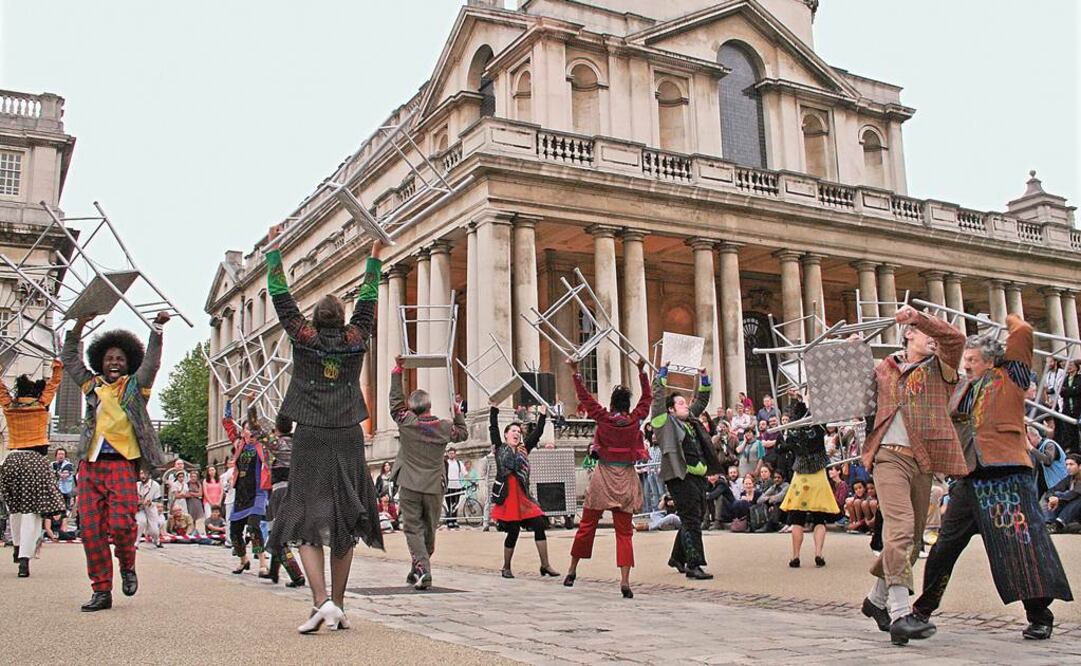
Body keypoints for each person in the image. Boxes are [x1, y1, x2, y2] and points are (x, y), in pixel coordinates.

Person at [914, 315, 1073, 642]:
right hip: (970, 477)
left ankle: (1040, 615)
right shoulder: (962, 387)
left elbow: (1024, 332)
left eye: (972, 360)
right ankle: (921, 612)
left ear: (990, 360)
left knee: (1020, 549)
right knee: (945, 546)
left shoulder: (1009, 376)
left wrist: (1008, 320)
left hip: (1006, 476)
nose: (967, 365)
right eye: (966, 360)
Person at [264, 234, 384, 634]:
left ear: (315, 319)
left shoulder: (304, 337)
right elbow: (368, 302)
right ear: (343, 316)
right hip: (348, 432)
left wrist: (275, 251)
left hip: (311, 433)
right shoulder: (356, 338)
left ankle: (321, 602)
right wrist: (374, 258)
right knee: (345, 517)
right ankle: (341, 603)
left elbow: (281, 298)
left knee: (305, 517)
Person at [858, 306, 968, 645]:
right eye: (926, 335)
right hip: (888, 457)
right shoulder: (883, 369)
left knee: (913, 538)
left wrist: (920, 318)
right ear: (908, 335)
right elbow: (854, 400)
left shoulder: (942, 369)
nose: (934, 341)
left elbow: (956, 338)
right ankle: (900, 615)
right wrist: (850, 353)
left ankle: (876, 601)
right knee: (901, 528)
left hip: (922, 460)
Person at [62, 312, 171, 611]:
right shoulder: (91, 385)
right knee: (91, 531)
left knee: (123, 525)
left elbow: (152, 361)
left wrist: (157, 329)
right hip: (91, 465)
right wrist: (80, 325)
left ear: (128, 363)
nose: (113, 362)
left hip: (123, 464)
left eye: (120, 359)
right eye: (109, 357)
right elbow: (69, 358)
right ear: (100, 360)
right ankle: (101, 590)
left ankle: (127, 564)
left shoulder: (136, 387)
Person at [564, 357, 651, 599]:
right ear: (627, 405)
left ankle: (572, 570)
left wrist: (575, 372)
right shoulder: (635, 420)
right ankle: (624, 581)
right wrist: (642, 373)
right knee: (624, 533)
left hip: (603, 476)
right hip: (625, 477)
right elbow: (647, 400)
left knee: (586, 526)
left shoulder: (603, 418)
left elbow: (585, 399)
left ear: (612, 404)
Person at [388, 356, 467, 590]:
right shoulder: (443, 427)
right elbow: (462, 434)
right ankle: (419, 568)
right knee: (429, 529)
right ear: (430, 406)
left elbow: (394, 404)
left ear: (412, 407)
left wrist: (397, 372)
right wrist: (457, 412)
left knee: (413, 528)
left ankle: (422, 569)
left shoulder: (407, 422)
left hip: (410, 483)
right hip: (434, 485)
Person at [651, 364, 724, 580]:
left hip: (697, 477)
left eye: (685, 402)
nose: (685, 405)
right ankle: (694, 564)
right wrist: (661, 376)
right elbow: (656, 402)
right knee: (691, 520)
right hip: (680, 477)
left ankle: (677, 557)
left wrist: (704, 377)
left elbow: (701, 400)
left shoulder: (690, 419)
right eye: (680, 403)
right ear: (671, 409)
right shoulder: (664, 423)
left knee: (695, 516)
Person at [0, 359, 68, 578]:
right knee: (32, 512)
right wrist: (57, 367)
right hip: (35, 462)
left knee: (15, 508)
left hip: (13, 459)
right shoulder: (41, 405)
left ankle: (18, 545)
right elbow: (54, 384)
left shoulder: (10, 406)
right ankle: (24, 558)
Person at [489, 400, 559, 579]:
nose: (516, 434)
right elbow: (493, 429)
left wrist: (543, 415)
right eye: (513, 431)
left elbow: (537, 433)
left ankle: (545, 565)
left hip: (523, 495)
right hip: (507, 496)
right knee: (513, 531)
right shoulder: (499, 448)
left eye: (518, 432)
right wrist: (493, 410)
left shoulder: (523, 449)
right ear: (506, 435)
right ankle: (506, 566)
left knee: (539, 525)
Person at [777, 411, 838, 566]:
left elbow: (784, 447)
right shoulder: (818, 430)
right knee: (819, 518)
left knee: (797, 519)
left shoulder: (793, 432)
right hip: (818, 476)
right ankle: (819, 553)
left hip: (801, 478)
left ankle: (795, 556)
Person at [222, 401, 271, 574]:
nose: (249, 432)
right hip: (241, 493)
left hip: (257, 493)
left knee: (254, 527)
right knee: (235, 531)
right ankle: (244, 560)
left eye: (252, 428)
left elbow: (259, 424)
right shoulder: (239, 445)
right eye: (246, 429)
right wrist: (228, 403)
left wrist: (251, 403)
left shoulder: (263, 446)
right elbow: (227, 424)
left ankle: (263, 563)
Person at [263, 415, 306, 588]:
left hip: (280, 492)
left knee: (277, 536)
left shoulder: (278, 444)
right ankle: (274, 571)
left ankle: (296, 574)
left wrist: (251, 406)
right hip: (298, 491)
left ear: (278, 428)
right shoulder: (300, 444)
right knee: (279, 533)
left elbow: (258, 430)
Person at [1027, 426, 1067, 499]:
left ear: (1036, 436)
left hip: (1058, 485)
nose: (1028, 443)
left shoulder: (1049, 445)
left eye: (1029, 439)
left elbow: (1047, 461)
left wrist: (1031, 448)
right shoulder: (1038, 449)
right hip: (1047, 486)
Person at [1046, 454, 1081, 531]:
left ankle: (1059, 523)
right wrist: (1051, 497)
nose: (1068, 467)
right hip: (1074, 513)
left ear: (1080, 466)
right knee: (1056, 494)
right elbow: (1052, 490)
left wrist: (1058, 498)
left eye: (1071, 464)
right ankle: (1049, 523)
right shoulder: (1070, 478)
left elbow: (1075, 493)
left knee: (1078, 499)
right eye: (1066, 464)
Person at [135, 469, 162, 549]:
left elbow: (158, 500)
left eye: (144, 474)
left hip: (151, 508)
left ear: (149, 475)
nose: (143, 476)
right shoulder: (136, 485)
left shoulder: (155, 485)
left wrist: (151, 503)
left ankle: (157, 540)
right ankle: (136, 543)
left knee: (154, 530)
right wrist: (138, 502)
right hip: (140, 508)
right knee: (141, 522)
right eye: (141, 474)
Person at [1059, 360, 1080, 454]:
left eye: (1071, 365)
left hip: (1077, 409)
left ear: (1076, 367)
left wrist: (1068, 391)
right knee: (1070, 432)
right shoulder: (1065, 379)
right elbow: (1061, 392)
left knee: (1077, 431)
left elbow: (1078, 390)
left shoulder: (1079, 378)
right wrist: (1071, 390)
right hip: (1067, 408)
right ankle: (1074, 451)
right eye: (1068, 365)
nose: (1069, 367)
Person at [444, 447, 465, 529]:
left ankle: (454, 520)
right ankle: (449, 521)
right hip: (448, 486)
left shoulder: (459, 463)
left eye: (453, 453)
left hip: (457, 486)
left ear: (455, 454)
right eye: (450, 453)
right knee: (449, 504)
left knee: (455, 504)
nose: (451, 455)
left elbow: (464, 473)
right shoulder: (446, 463)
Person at [51, 448, 76, 512]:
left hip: (66, 491)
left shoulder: (68, 465)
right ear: (56, 456)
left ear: (65, 456)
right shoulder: (52, 464)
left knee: (67, 509)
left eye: (62, 454)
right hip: (56, 490)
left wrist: (54, 473)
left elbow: (64, 476)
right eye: (59, 454)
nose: (61, 456)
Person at [185, 467, 205, 532]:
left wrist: (192, 493)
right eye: (192, 476)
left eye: (195, 477)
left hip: (197, 502)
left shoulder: (199, 484)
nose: (193, 478)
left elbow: (200, 494)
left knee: (197, 517)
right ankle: (190, 530)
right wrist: (193, 494)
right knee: (190, 516)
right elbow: (186, 494)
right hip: (189, 502)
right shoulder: (187, 484)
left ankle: (195, 531)